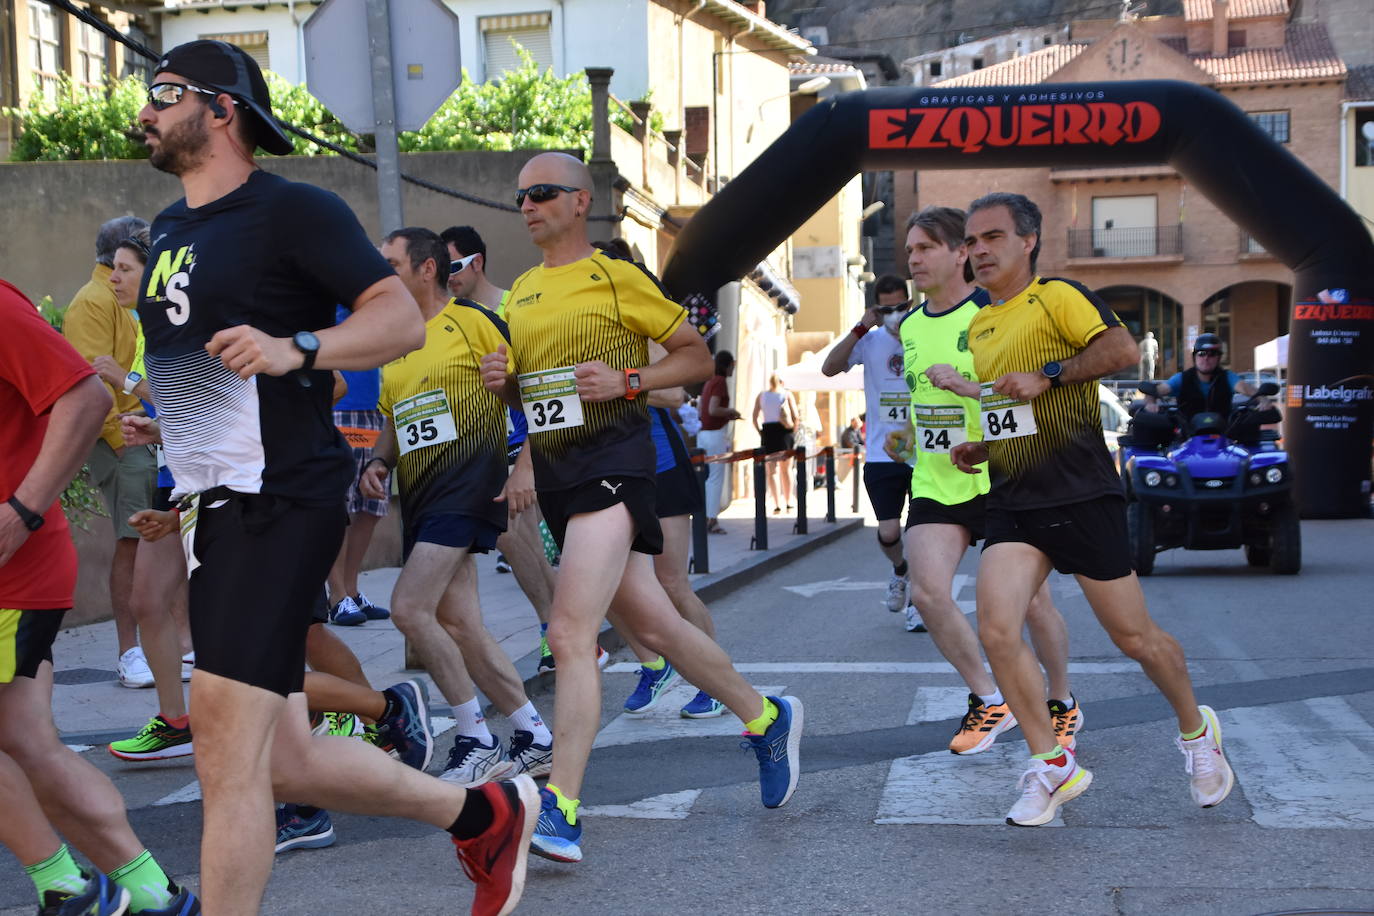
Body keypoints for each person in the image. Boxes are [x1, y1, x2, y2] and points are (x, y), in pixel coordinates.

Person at [137, 40, 537, 915]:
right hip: (217, 503)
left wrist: (297, 348)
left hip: (279, 500)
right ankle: (484, 813)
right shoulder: (169, 230)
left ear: (222, 108)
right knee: (288, 758)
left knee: (222, 757)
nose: (147, 108)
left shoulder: (291, 211)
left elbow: (395, 319)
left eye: (165, 92)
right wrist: (174, 461)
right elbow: (207, 370)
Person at [481, 151, 802, 864]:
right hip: (563, 477)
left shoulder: (618, 277)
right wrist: (503, 383)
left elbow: (692, 361)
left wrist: (628, 377)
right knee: (653, 620)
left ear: (578, 202)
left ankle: (561, 807)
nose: (528, 204)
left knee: (570, 632)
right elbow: (535, 400)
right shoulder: (522, 294)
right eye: (520, 195)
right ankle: (765, 715)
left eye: (542, 192)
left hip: (617, 468)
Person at [949, 192, 1233, 827]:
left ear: (1028, 241)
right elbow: (1019, 410)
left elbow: (1121, 352)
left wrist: (1050, 372)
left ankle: (1197, 734)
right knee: (996, 629)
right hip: (1015, 497)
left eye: (992, 237)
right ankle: (1052, 764)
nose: (979, 251)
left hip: (1082, 492)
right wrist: (984, 442)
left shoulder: (1058, 295)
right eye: (971, 241)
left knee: (1135, 638)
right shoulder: (979, 325)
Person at [2, 277, 199, 916]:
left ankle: (69, 891)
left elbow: (85, 396)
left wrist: (20, 513)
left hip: (12, 570)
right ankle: (148, 893)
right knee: (29, 742)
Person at [359, 226, 554, 787]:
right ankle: (533, 736)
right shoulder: (394, 340)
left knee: (408, 608)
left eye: (391, 264)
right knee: (462, 622)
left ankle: (473, 736)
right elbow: (396, 418)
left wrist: (524, 468)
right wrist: (378, 462)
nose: (381, 274)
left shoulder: (472, 322)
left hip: (470, 485)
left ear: (425, 269)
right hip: (421, 495)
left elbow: (533, 396)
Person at [887, 205, 1079, 755]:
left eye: (924, 248)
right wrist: (904, 429)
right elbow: (922, 396)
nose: (913, 260)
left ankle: (1061, 703)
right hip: (937, 477)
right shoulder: (911, 324)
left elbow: (1024, 402)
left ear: (959, 253)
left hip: (1001, 476)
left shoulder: (993, 316)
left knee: (1033, 605)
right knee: (926, 594)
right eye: (909, 251)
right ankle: (989, 698)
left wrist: (971, 391)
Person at [93, 231, 196, 762]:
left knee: (261, 621)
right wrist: (158, 433)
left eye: (125, 269)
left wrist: (126, 378)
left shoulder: (185, 326)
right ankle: (175, 719)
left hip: (220, 488)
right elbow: (184, 416)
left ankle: (353, 710)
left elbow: (200, 403)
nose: (113, 277)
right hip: (175, 480)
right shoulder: (152, 329)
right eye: (113, 268)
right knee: (146, 599)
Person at [61, 214, 159, 690]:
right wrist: (121, 440)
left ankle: (171, 648)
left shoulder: (128, 297)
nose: (122, 275)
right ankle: (129, 652)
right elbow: (90, 382)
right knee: (133, 542)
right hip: (124, 438)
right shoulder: (94, 300)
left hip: (145, 430)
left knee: (156, 544)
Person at [822, 273, 917, 614]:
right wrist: (861, 327)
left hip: (923, 453)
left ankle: (919, 601)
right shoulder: (870, 341)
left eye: (901, 307)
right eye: (887, 310)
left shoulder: (924, 331)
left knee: (924, 533)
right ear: (876, 310)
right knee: (890, 531)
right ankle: (900, 569)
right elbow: (829, 367)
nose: (896, 316)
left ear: (911, 302)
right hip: (883, 452)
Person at [324, 325, 392, 626]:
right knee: (339, 505)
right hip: (341, 406)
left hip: (379, 407)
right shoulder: (339, 284)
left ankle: (351, 590)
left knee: (371, 505)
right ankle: (337, 596)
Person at [1143, 332, 1258, 420]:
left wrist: (1263, 399)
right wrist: (1150, 403)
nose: (1206, 358)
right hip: (1187, 438)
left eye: (1212, 354)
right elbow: (1155, 391)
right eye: (1201, 354)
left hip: (1223, 437)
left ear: (1219, 358)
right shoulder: (1182, 378)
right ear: (1195, 357)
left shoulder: (1227, 377)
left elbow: (1245, 388)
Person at [696, 350, 740, 533]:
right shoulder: (720, 382)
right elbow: (714, 409)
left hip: (704, 433)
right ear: (728, 365)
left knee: (705, 477)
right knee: (715, 477)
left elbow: (702, 408)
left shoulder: (709, 381)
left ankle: (703, 516)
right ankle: (711, 519)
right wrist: (730, 412)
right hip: (715, 434)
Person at [752, 374, 798, 514]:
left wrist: (761, 432)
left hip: (768, 432)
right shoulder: (786, 394)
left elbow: (754, 418)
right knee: (786, 469)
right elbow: (796, 417)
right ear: (781, 382)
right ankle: (789, 501)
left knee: (772, 471)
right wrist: (793, 432)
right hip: (784, 432)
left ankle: (777, 503)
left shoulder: (762, 395)